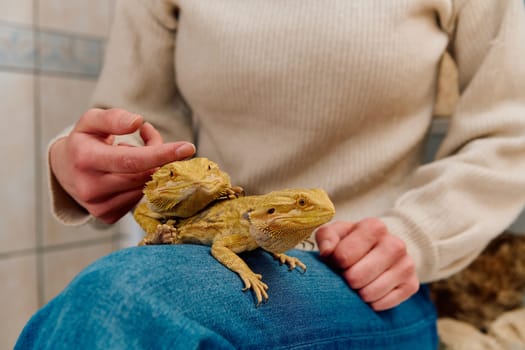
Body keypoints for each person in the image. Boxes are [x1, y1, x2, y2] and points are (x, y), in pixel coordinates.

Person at [16, 0, 525, 349]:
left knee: (122, 297)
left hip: (369, 278)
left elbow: (510, 134)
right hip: (206, 257)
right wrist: (91, 160)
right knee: (114, 297)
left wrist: (412, 236)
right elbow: (141, 128)